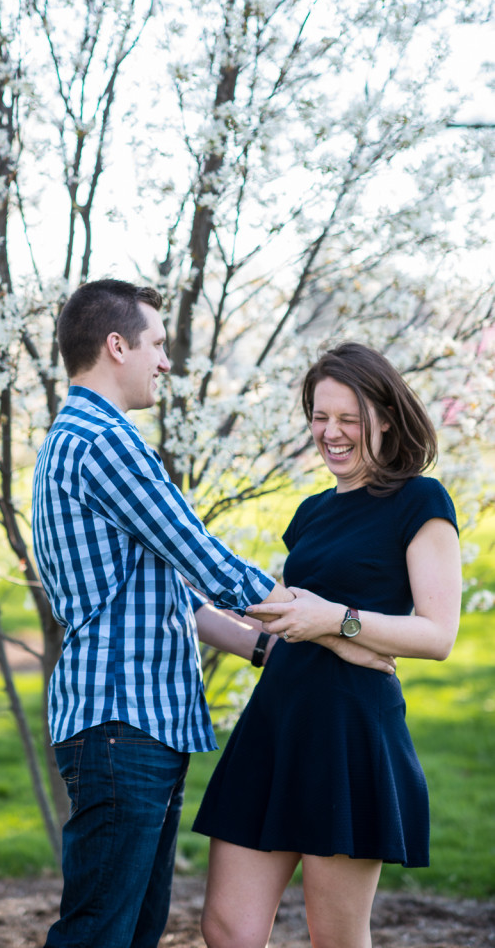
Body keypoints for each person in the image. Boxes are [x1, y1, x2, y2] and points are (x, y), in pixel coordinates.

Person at [31, 282, 393, 948]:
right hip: (122, 722)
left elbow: (164, 591)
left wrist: (267, 647)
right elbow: (206, 561)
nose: (165, 363)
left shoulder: (71, 437)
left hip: (128, 722)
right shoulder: (105, 442)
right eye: (157, 345)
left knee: (131, 930)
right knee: (99, 933)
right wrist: (328, 624)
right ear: (117, 347)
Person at [193, 342, 462, 948]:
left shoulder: (420, 501)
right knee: (227, 929)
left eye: (349, 418)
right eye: (320, 416)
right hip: (274, 724)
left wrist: (336, 623)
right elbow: (283, 623)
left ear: (386, 417)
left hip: (348, 733)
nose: (331, 433)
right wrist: (182, 601)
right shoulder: (312, 513)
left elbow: (439, 634)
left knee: (334, 938)